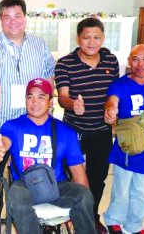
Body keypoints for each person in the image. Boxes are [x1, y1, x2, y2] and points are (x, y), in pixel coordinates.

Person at [0, 0, 55, 233]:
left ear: (25, 18)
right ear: (0, 19)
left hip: (32, 121)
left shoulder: (39, 44)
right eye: (7, 17)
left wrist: (46, 98)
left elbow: (50, 75)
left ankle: (34, 208)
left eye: (17, 16)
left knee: (35, 167)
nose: (13, 22)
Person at [0, 78, 95, 234]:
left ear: (51, 102)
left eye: (41, 96)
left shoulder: (65, 132)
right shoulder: (13, 126)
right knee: (15, 196)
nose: (34, 101)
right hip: (24, 186)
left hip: (56, 186)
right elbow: (2, 141)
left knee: (84, 194)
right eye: (30, 96)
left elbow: (78, 173)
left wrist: (85, 203)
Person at [55, 17, 119, 234]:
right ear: (78, 39)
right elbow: (62, 96)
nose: (92, 42)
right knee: (68, 176)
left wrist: (111, 109)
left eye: (97, 37)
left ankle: (91, 217)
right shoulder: (64, 63)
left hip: (101, 132)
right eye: (86, 37)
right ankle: (65, 216)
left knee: (98, 178)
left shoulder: (110, 60)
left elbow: (114, 94)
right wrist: (73, 104)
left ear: (102, 38)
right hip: (73, 131)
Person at [103, 44, 144, 234]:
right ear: (129, 62)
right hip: (126, 149)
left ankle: (134, 227)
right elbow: (112, 101)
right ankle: (113, 220)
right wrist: (111, 111)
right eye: (135, 59)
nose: (140, 64)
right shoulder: (120, 84)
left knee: (141, 193)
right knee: (121, 190)